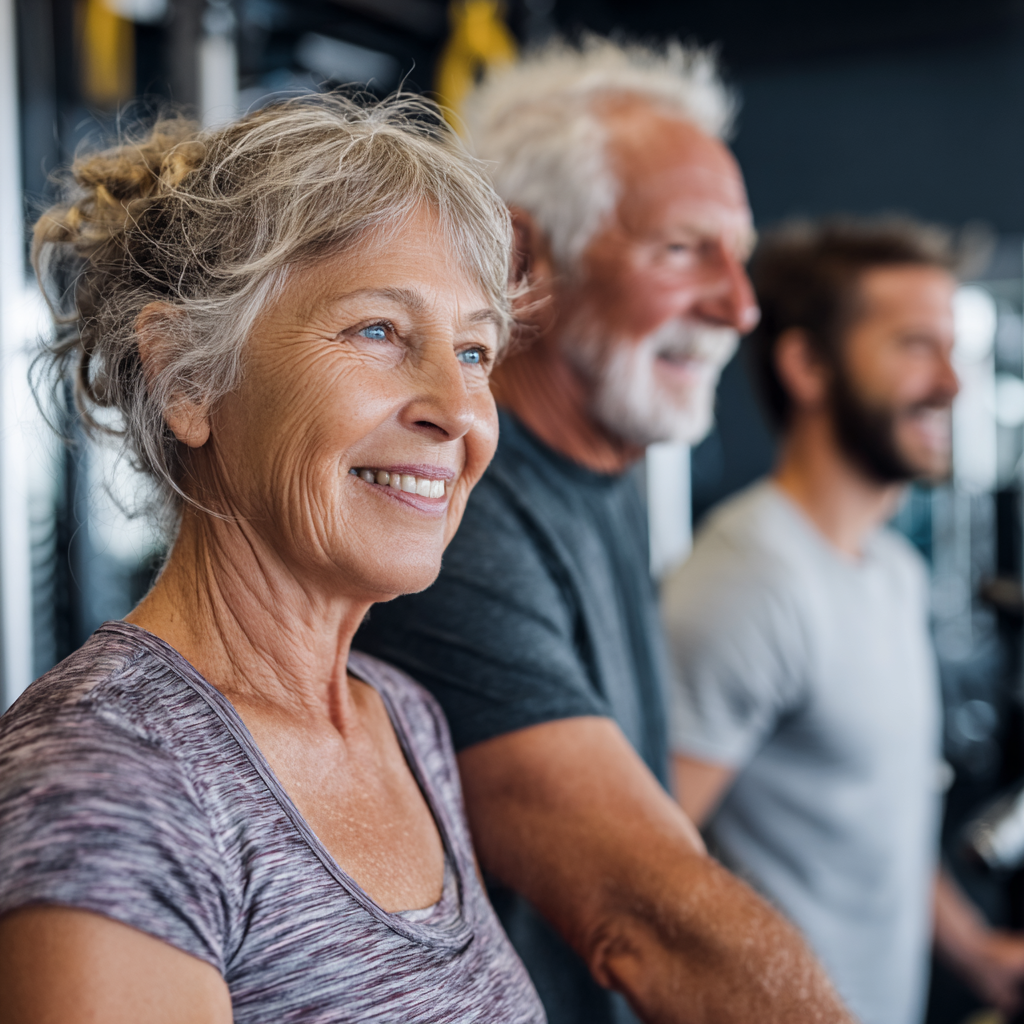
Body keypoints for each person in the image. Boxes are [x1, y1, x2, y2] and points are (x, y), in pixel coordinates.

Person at [0, 94, 547, 1023]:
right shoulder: (110, 773)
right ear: (186, 379)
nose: (456, 410)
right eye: (379, 331)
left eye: (473, 351)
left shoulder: (402, 722)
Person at [357, 39, 852, 1024]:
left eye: (738, 257)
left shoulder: (605, 467)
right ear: (521, 258)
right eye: (681, 249)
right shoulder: (452, 520)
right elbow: (644, 912)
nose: (739, 305)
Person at [663, 218, 1024, 1024]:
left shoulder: (891, 571)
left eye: (951, 349)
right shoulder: (748, 579)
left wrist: (972, 949)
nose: (953, 385)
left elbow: (879, 818)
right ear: (807, 365)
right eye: (913, 347)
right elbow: (641, 876)